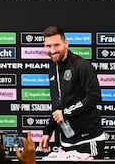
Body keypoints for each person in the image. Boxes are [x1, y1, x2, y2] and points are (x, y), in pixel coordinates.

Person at [39, 26, 106, 158]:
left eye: (56, 45)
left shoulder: (81, 65)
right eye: (48, 46)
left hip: (89, 140)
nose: (52, 50)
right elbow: (58, 104)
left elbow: (94, 96)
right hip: (66, 142)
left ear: (66, 43)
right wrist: (48, 131)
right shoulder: (53, 68)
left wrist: (66, 113)